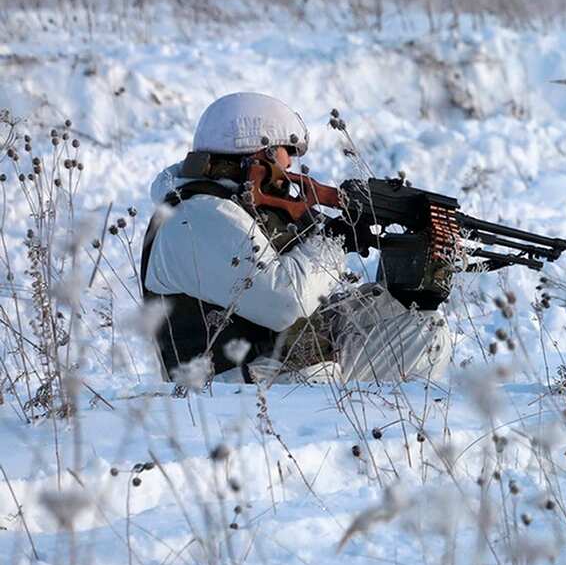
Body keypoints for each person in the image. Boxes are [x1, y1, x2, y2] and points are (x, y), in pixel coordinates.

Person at [141, 92, 452, 385]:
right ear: (256, 154)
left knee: (424, 329)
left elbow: (316, 311)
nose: (289, 164)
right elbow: (284, 301)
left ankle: (403, 436)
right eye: (286, 151)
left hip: (278, 372)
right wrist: (336, 239)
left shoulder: (243, 210)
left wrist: (402, 295)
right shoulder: (197, 217)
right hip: (226, 396)